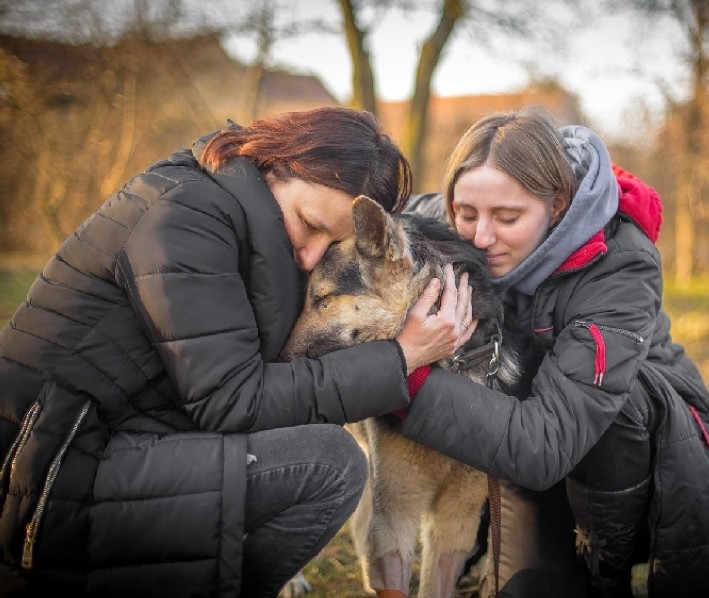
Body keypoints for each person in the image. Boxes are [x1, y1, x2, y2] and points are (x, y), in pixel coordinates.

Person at [0, 107, 475, 597]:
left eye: (334, 240)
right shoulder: (183, 217)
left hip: (122, 438)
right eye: (310, 224)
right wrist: (399, 358)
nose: (313, 255)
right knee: (327, 464)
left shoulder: (239, 218)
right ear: (279, 164)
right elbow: (232, 400)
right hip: (48, 471)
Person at [401, 109, 709, 597]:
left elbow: (547, 442)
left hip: (631, 440)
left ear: (558, 204)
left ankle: (600, 568)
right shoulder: (447, 224)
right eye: (465, 214)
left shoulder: (621, 265)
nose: (481, 238)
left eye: (507, 218)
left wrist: (403, 373)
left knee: (587, 399)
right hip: (520, 426)